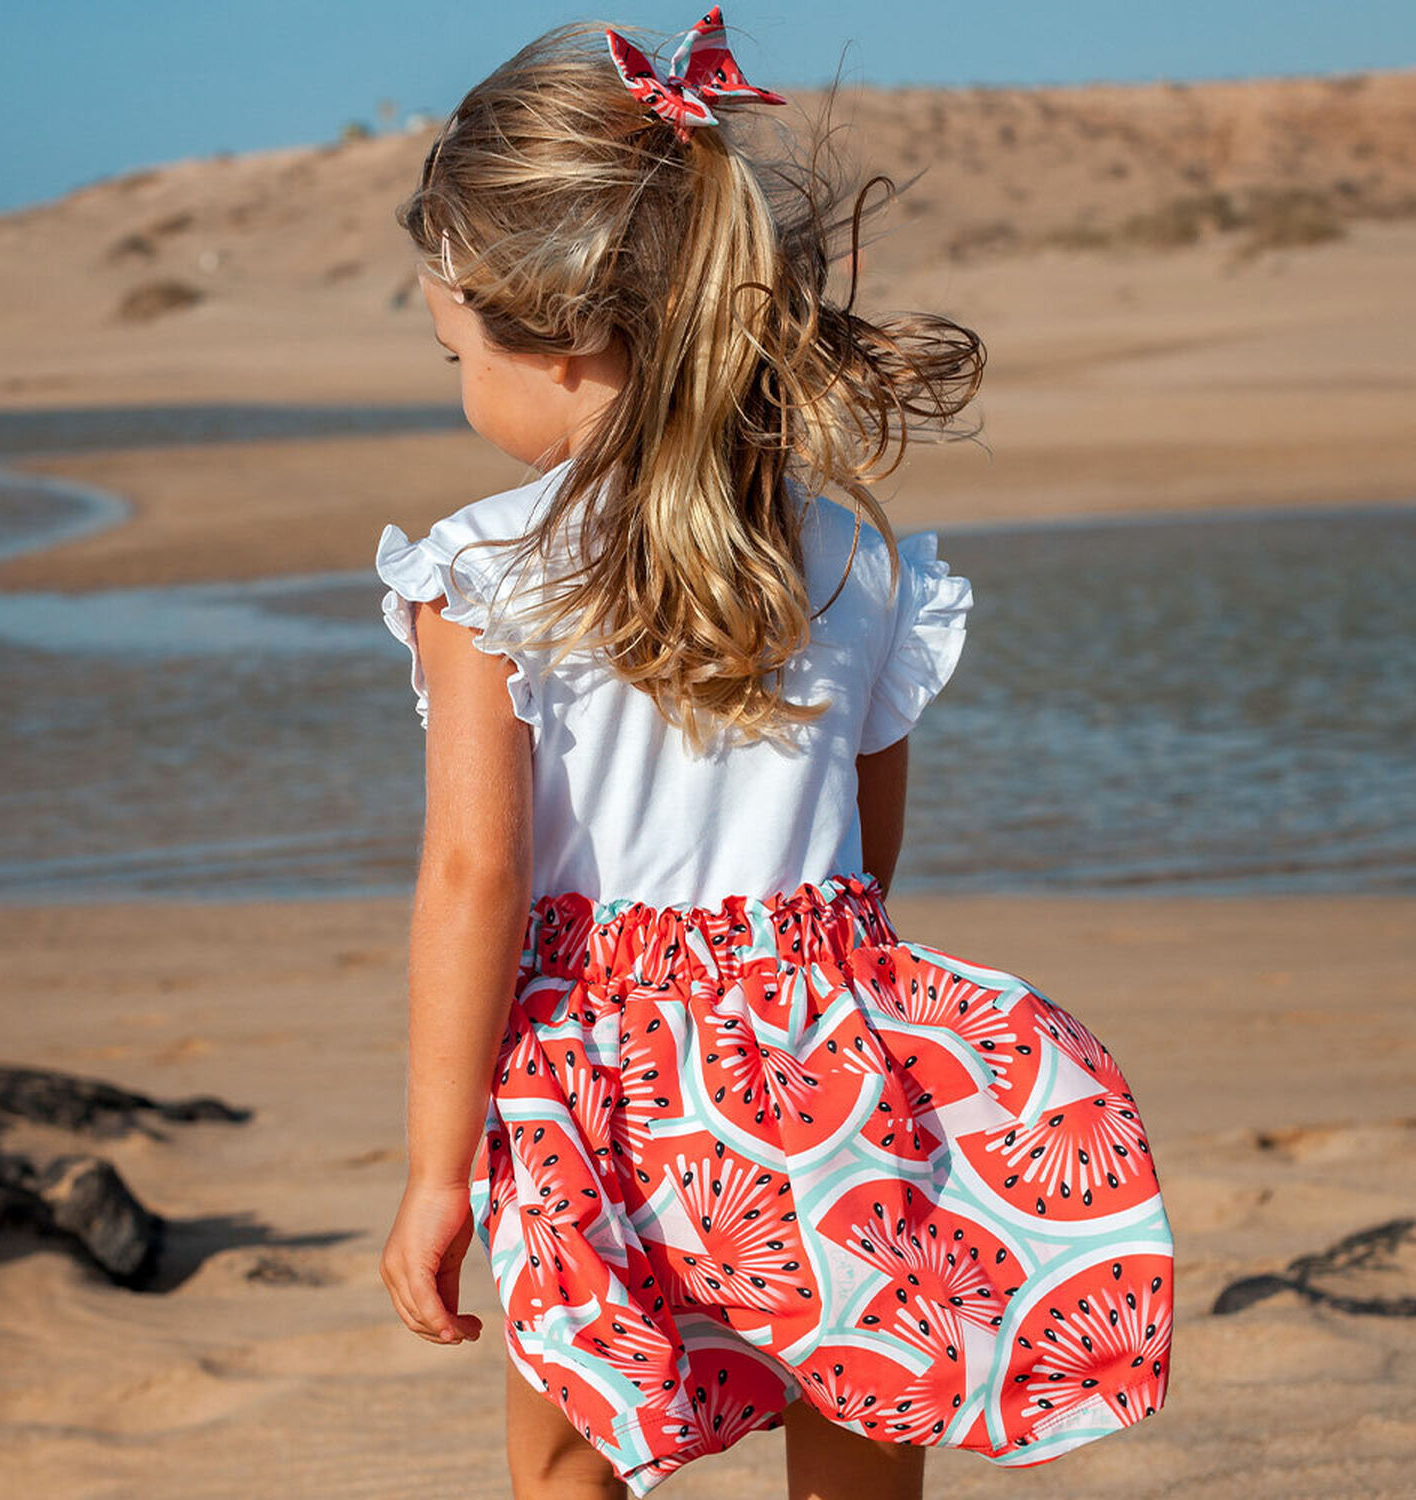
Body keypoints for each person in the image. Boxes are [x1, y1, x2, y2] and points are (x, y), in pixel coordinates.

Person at [376, 13, 1174, 1499]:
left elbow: (474, 878)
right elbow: (868, 846)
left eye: (454, 351)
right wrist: (795, 979)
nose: (458, 387)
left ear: (556, 338)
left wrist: (434, 1175)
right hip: (823, 1044)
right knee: (863, 1396)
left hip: (595, 1072)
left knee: (574, 1438)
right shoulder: (848, 552)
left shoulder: (487, 572)